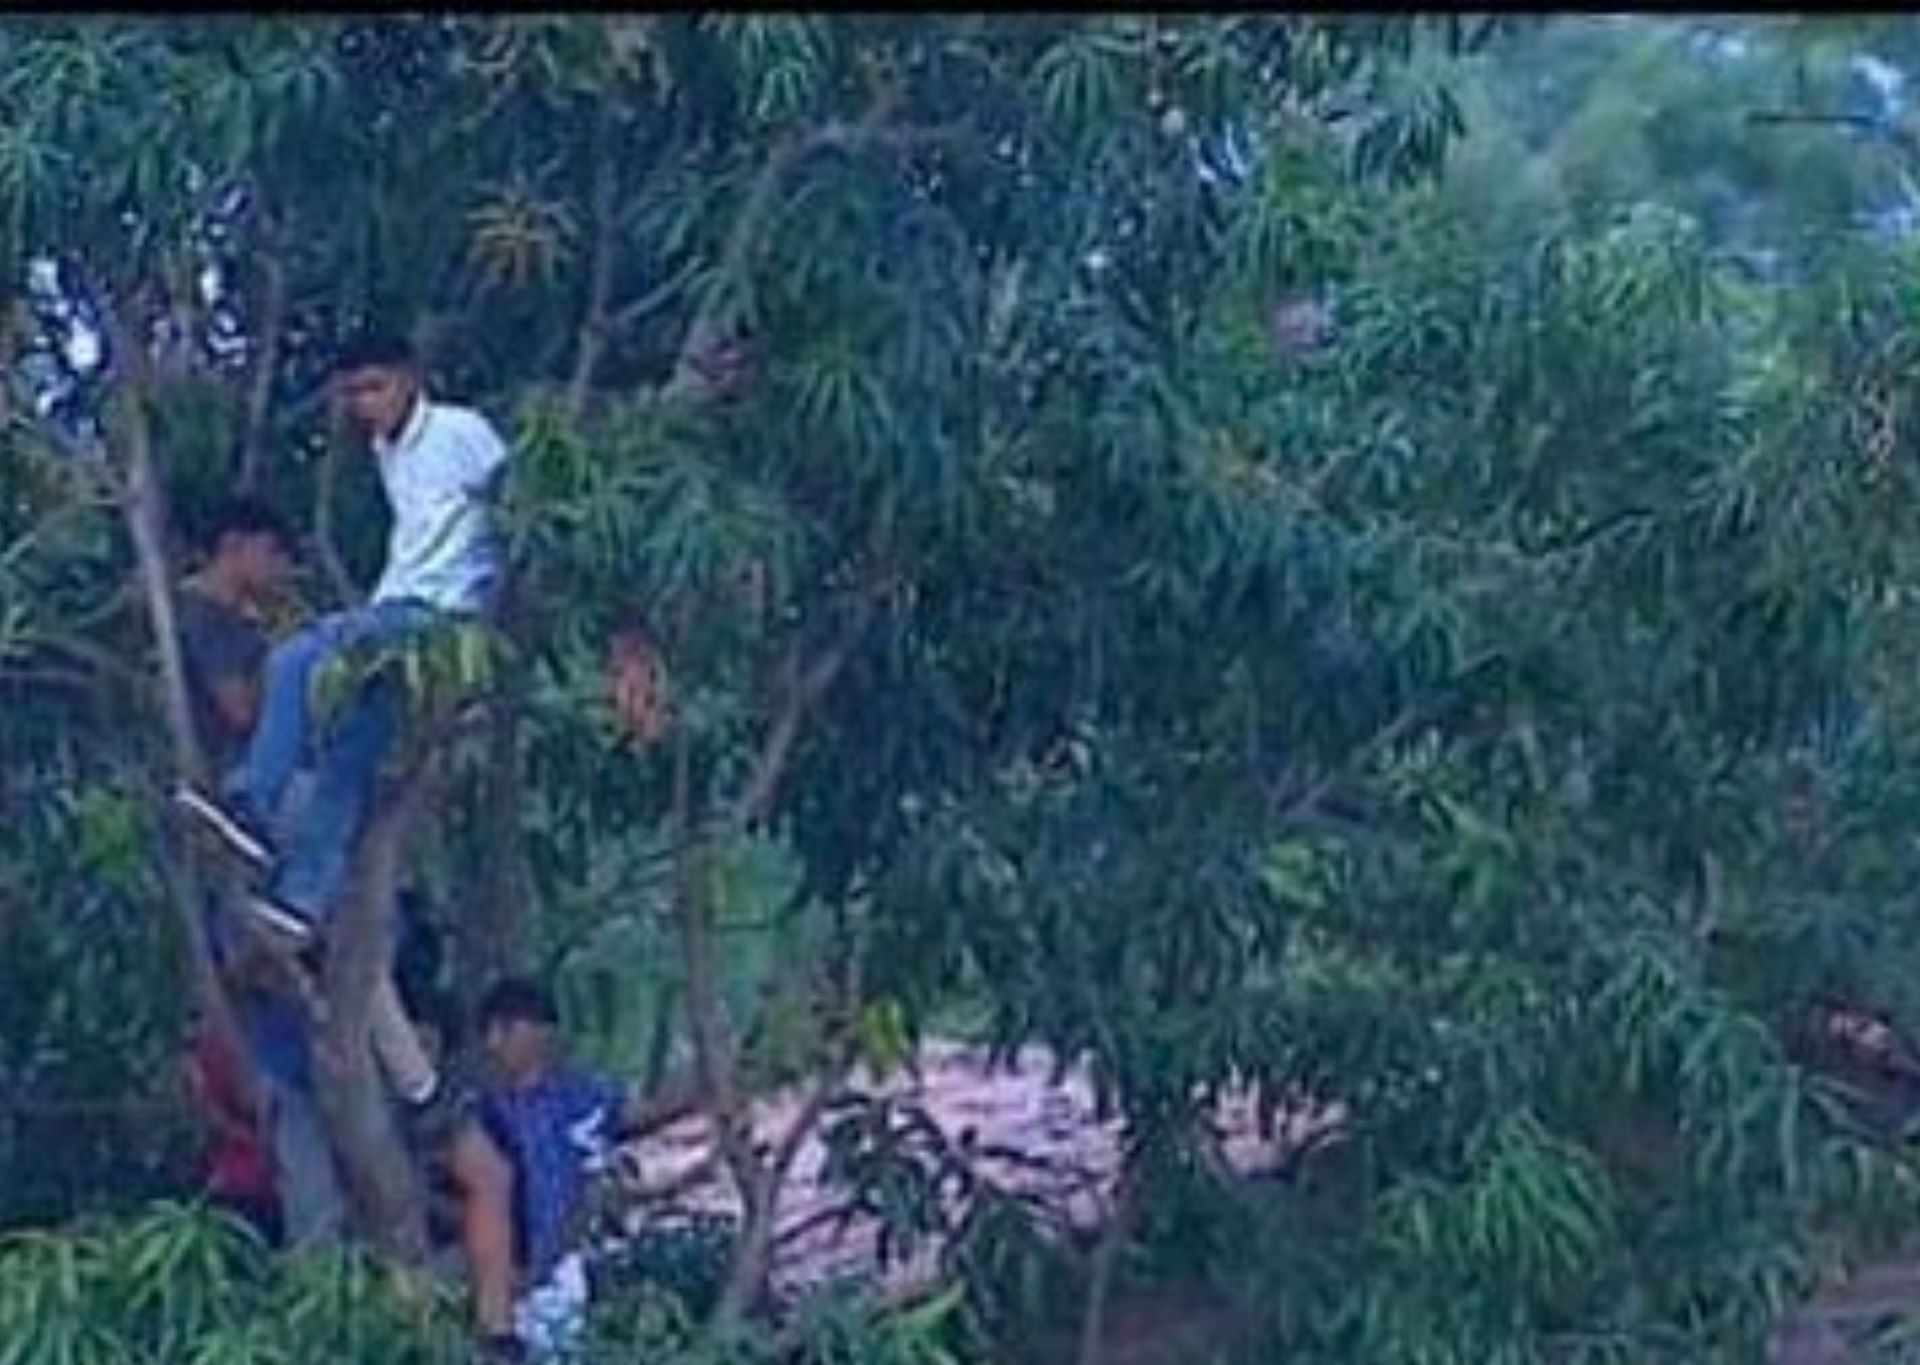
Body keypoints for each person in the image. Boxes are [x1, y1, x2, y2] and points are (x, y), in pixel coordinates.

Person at [174, 328, 510, 948]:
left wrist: (488, 617)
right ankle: (303, 900)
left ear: (410, 379)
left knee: (296, 657)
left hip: (429, 614)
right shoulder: (388, 451)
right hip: (401, 613)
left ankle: (251, 801)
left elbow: (514, 507)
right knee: (350, 754)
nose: (365, 406)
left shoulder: (461, 432)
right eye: (353, 394)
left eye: (375, 388)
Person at [474, 977, 678, 1358]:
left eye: (504, 1029)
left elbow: (639, 1115)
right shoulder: (482, 1109)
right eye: (490, 1032)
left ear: (538, 1032)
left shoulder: (581, 1097)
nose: (493, 1044)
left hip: (558, 1271)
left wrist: (711, 1082)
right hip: (496, 1277)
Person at [175, 496, 296, 772]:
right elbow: (241, 712)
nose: (282, 566)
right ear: (233, 545)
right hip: (230, 766)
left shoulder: (241, 616)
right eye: (271, 552)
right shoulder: (202, 615)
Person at [183, 1011, 283, 1246]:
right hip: (239, 1177)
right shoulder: (209, 1053)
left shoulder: (263, 1042)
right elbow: (208, 1111)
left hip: (265, 1177)